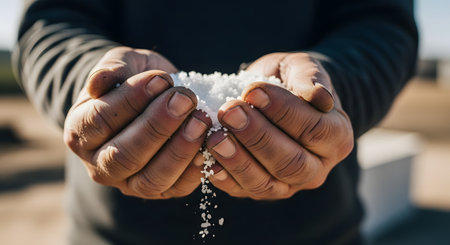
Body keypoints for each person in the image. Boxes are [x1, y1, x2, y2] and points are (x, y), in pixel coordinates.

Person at [13, 0, 418, 244]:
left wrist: (323, 94)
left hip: (316, 233)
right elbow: (52, 21)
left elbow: (381, 24)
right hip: (112, 234)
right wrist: (101, 91)